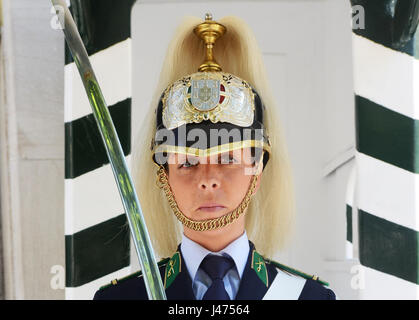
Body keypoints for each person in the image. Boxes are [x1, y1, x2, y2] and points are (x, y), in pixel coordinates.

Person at [93, 14, 336, 300]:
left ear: (256, 171)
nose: (207, 180)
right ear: (165, 177)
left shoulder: (309, 298)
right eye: (187, 163)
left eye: (228, 159)